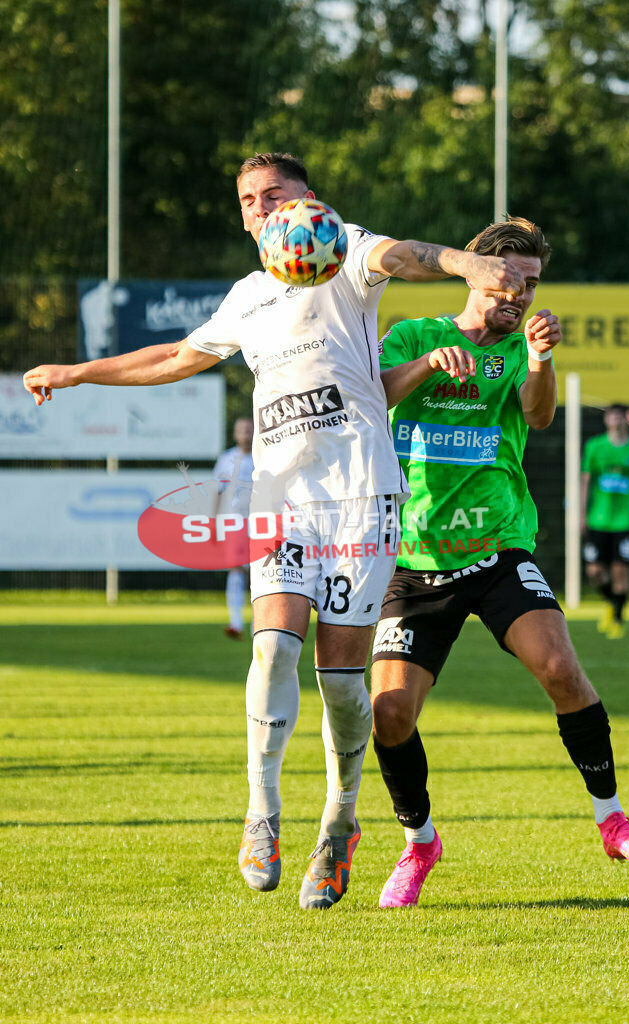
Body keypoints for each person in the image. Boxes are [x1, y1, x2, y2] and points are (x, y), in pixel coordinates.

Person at [23, 151, 526, 910]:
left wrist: (464, 264)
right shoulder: (249, 295)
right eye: (249, 201)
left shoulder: (344, 254)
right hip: (283, 496)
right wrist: (76, 370)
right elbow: (173, 355)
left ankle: (340, 821)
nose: (260, 209)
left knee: (340, 684)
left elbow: (400, 254)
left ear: (309, 203)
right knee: (270, 645)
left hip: (361, 495)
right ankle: (261, 812)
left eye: (274, 195)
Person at [371, 216, 629, 909]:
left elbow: (537, 418)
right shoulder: (415, 334)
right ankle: (419, 843)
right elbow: (371, 396)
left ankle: (611, 820)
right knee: (389, 714)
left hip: (498, 547)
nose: (519, 297)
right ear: (476, 273)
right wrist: (425, 365)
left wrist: (539, 361)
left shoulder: (520, 349)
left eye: (530, 285)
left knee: (561, 668)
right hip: (411, 562)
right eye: (509, 282)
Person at [581, 405, 629, 639]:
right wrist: (581, 514)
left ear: (626, 420)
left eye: (620, 416)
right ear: (606, 419)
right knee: (594, 571)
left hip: (626, 520)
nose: (616, 420)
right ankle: (614, 602)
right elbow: (585, 482)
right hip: (599, 519)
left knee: (621, 569)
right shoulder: (595, 447)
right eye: (612, 415)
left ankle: (618, 620)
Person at [213, 417, 255, 639]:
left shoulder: (263, 456)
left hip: (260, 522)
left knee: (259, 572)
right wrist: (213, 521)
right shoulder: (227, 459)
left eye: (249, 429)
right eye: (241, 430)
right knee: (235, 569)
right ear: (235, 433)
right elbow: (218, 491)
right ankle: (235, 622)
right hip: (234, 521)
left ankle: (258, 625)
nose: (245, 434)